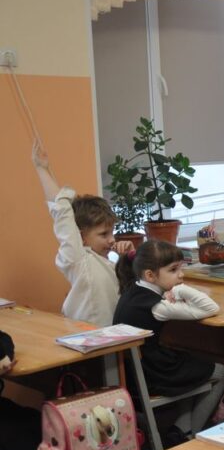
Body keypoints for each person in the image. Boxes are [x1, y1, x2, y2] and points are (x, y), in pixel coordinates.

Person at [113, 240, 224, 445]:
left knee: (189, 360)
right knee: (220, 371)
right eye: (173, 270)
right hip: (151, 373)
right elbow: (211, 308)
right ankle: (193, 435)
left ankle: (182, 428)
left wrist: (171, 291)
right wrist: (181, 290)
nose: (181, 275)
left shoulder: (131, 289)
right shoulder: (157, 307)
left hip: (133, 370)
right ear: (150, 275)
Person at [32, 139, 133, 326]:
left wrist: (127, 259)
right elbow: (62, 213)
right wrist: (42, 169)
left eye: (112, 232)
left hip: (112, 336)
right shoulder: (77, 258)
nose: (112, 239)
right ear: (80, 237)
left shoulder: (107, 264)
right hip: (86, 337)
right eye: (103, 234)